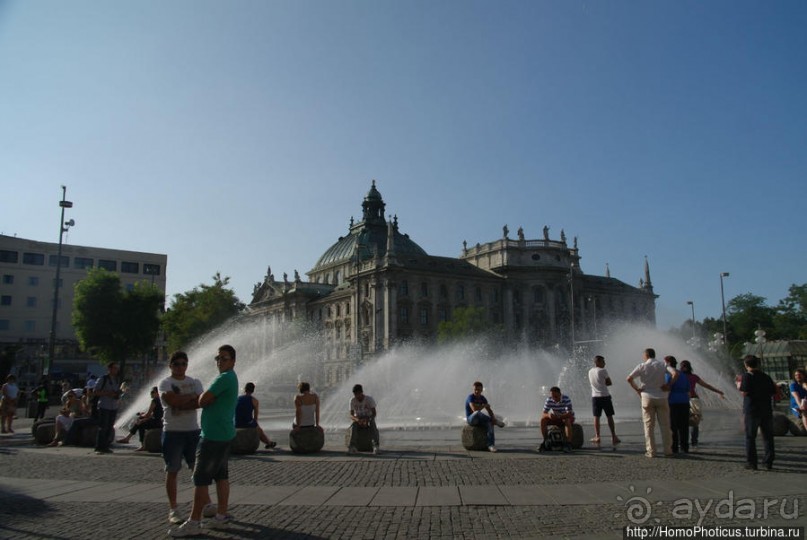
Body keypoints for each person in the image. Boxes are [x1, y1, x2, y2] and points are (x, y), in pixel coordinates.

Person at [169, 344, 239, 537]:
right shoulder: (230, 377)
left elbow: (202, 400)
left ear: (233, 361)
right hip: (224, 433)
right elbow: (206, 399)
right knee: (221, 476)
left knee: (201, 479)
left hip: (213, 436)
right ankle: (221, 517)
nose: (220, 362)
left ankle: (194, 522)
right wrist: (206, 398)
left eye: (224, 358)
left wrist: (203, 398)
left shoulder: (224, 378)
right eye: (218, 358)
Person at [158, 351, 212, 525]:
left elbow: (201, 402)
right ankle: (173, 509)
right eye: (177, 364)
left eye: (183, 363)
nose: (180, 367)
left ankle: (207, 503)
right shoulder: (165, 382)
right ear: (170, 366)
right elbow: (172, 401)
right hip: (172, 431)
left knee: (198, 470)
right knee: (172, 470)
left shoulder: (195, 381)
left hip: (193, 431)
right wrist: (191, 398)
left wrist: (182, 401)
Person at [626, 348, 676, 458]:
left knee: (648, 426)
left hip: (647, 397)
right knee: (665, 425)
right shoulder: (663, 365)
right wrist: (668, 385)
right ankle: (668, 450)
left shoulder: (642, 366)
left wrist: (637, 389)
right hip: (662, 397)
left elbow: (629, 378)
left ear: (646, 355)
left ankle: (651, 451)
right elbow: (675, 373)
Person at [738, 355, 776, 470]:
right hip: (766, 409)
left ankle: (752, 462)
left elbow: (744, 392)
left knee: (750, 436)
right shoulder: (765, 376)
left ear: (746, 365)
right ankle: (768, 462)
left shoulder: (747, 376)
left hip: (752, 410)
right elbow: (773, 391)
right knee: (768, 436)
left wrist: (738, 385)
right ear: (757, 364)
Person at [679, 360, 725, 449]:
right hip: (694, 400)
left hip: (683, 400)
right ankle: (694, 442)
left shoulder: (678, 376)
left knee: (683, 422)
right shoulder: (693, 377)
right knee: (694, 422)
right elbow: (706, 385)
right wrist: (718, 391)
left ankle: (683, 442)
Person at [587, 355, 620, 447]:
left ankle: (597, 436)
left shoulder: (590, 371)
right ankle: (613, 436)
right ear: (597, 362)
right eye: (603, 362)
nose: (604, 363)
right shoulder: (602, 370)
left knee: (596, 417)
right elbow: (609, 383)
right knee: (609, 416)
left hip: (595, 396)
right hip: (605, 395)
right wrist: (603, 382)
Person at [464, 381, 505, 453]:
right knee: (477, 412)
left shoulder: (483, 398)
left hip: (479, 420)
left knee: (490, 423)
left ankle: (490, 445)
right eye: (475, 389)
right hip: (471, 419)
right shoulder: (470, 397)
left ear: (482, 390)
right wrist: (484, 405)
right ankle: (495, 422)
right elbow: (474, 409)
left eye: (478, 390)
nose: (477, 391)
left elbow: (489, 410)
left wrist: (493, 417)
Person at [234, 382, 276, 449]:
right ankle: (269, 443)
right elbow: (255, 418)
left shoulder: (237, 399)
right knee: (259, 429)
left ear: (244, 389)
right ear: (253, 390)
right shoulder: (255, 401)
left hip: (235, 423)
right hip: (246, 423)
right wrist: (256, 426)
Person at [92, 362, 122, 454]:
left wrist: (118, 394)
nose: (116, 370)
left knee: (109, 427)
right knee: (103, 427)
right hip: (104, 405)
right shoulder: (103, 379)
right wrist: (108, 393)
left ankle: (106, 446)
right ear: (109, 369)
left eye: (117, 368)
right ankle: (99, 447)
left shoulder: (117, 379)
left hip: (114, 406)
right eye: (114, 368)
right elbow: (95, 391)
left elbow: (116, 391)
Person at [664, 356, 690, 454]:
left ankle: (674, 447)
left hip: (673, 402)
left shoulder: (669, 374)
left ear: (668, 363)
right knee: (684, 425)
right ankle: (685, 447)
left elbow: (668, 389)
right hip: (684, 401)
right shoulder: (683, 375)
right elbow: (688, 389)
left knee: (673, 425)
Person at [540, 386, 575, 452]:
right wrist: (549, 415)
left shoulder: (566, 399)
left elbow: (569, 414)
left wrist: (559, 417)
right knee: (543, 420)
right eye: (552, 397)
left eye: (556, 397)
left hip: (565, 417)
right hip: (556, 417)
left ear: (560, 394)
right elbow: (544, 413)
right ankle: (546, 441)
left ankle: (568, 443)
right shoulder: (549, 400)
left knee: (567, 420)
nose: (554, 399)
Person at [348, 384, 380, 455]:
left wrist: (367, 419)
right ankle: (352, 446)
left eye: (358, 394)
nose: (356, 396)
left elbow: (374, 413)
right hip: (358, 418)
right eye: (355, 394)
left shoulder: (369, 399)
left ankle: (375, 446)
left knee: (372, 422)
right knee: (353, 424)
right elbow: (351, 415)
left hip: (368, 417)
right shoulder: (352, 400)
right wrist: (358, 420)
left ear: (361, 392)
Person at [788, 368, 807, 432]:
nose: (798, 376)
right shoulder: (793, 385)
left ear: (804, 375)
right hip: (797, 406)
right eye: (796, 375)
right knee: (804, 412)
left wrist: (806, 387)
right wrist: (801, 407)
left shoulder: (806, 384)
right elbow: (796, 397)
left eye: (799, 374)